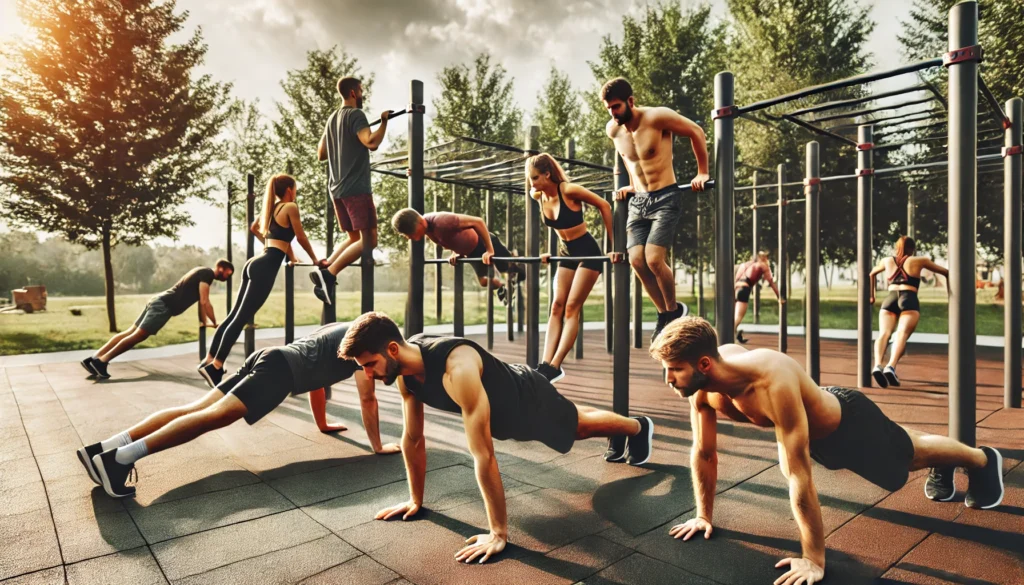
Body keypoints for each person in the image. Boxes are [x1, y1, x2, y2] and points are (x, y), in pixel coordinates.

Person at [650, 316, 1003, 585]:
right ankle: (947, 461)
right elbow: (704, 453)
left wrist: (813, 559)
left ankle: (983, 460)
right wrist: (703, 515)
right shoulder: (700, 388)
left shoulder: (771, 380)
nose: (668, 380)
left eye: (674, 370)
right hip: (818, 430)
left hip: (849, 424)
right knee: (908, 444)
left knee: (909, 457)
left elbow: (798, 473)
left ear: (705, 364)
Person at [339, 312, 656, 564]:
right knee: (577, 420)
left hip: (528, 399)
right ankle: (627, 429)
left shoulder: (456, 368)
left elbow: (483, 455)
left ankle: (638, 427)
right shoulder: (405, 375)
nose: (368, 374)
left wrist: (498, 533)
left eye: (370, 365)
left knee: (579, 426)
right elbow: (413, 439)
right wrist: (415, 500)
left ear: (392, 349)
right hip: (503, 414)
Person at [80, 322, 400, 498]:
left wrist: (322, 423)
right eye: (370, 366)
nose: (370, 372)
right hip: (279, 372)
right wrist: (377, 446)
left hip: (266, 357)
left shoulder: (347, 330)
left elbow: (318, 376)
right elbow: (367, 399)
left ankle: (105, 447)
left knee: (196, 408)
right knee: (211, 418)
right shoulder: (364, 347)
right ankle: (119, 459)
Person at [602, 77, 710, 341]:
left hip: (665, 196)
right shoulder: (613, 130)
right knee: (636, 261)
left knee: (653, 258)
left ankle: (673, 311)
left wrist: (703, 172)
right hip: (639, 201)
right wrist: (631, 185)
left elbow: (696, 131)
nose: (613, 113)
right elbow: (629, 160)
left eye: (616, 106)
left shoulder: (657, 117)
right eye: (608, 108)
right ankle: (665, 313)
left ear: (630, 101)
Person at [197, 174, 323, 388]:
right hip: (265, 267)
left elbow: (259, 230)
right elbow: (300, 236)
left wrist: (291, 257)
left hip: (256, 262)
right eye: (295, 188)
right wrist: (315, 260)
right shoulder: (290, 206)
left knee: (233, 316)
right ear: (290, 190)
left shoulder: (272, 208)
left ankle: (208, 360)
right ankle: (216, 367)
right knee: (241, 318)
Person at [527, 153, 618, 383]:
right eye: (530, 178)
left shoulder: (568, 190)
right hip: (566, 252)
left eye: (536, 177)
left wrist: (614, 246)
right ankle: (545, 365)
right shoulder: (537, 195)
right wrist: (548, 251)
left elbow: (604, 205)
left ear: (548, 174)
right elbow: (551, 222)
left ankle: (556, 364)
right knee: (556, 306)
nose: (532, 183)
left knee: (571, 308)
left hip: (588, 252)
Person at [81, 261, 233, 380]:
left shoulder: (202, 272)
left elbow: (201, 302)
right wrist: (215, 322)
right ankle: (102, 362)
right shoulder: (207, 274)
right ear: (220, 267)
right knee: (138, 335)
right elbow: (205, 301)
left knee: (130, 332)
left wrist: (206, 321)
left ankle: (93, 358)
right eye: (228, 273)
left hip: (158, 300)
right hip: (164, 306)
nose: (228, 277)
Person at [312, 77, 391, 304]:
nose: (363, 94)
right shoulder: (356, 115)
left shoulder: (332, 119)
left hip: (336, 189)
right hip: (356, 188)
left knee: (353, 237)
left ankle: (326, 264)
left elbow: (321, 154)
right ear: (354, 92)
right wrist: (384, 122)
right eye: (362, 90)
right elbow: (371, 142)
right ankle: (329, 274)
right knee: (370, 240)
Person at [391, 207, 525, 306]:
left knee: (508, 267)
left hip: (483, 243)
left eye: (409, 233)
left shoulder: (443, 221)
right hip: (471, 252)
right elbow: (450, 239)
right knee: (484, 281)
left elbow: (478, 222)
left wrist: (489, 249)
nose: (409, 237)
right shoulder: (427, 228)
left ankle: (521, 269)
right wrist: (456, 253)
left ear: (420, 223)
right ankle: (505, 290)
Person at [867, 236, 948, 388]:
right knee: (901, 334)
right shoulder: (920, 260)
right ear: (913, 248)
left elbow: (872, 274)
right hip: (908, 299)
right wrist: (950, 292)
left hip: (889, 299)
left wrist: (872, 296)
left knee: (884, 334)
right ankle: (890, 366)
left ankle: (877, 365)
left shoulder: (886, 260)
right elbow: (945, 272)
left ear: (897, 247)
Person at [733, 251, 783, 344]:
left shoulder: (745, 265)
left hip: (736, 289)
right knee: (738, 317)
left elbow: (736, 278)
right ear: (764, 258)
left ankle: (736, 335)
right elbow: (771, 282)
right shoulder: (763, 265)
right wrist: (779, 297)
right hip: (744, 289)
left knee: (735, 316)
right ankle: (729, 337)